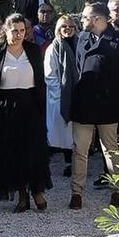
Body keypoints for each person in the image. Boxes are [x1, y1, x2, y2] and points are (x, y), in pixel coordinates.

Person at [66, 2, 119, 211]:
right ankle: (76, 193)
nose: (82, 20)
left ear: (98, 19)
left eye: (86, 17)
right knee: (80, 150)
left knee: (111, 150)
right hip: (84, 105)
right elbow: (79, 68)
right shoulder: (82, 39)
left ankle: (117, 190)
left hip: (109, 105)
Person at [0, 12, 51, 213]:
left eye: (22, 30)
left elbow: (39, 78)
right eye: (15, 31)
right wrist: (0, 99)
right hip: (6, 108)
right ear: (6, 30)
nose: (19, 34)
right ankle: (22, 194)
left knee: (34, 150)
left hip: (30, 105)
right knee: (13, 153)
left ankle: (37, 190)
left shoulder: (33, 50)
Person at [43, 13, 78, 173]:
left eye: (71, 26)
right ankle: (66, 161)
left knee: (75, 132)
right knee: (63, 131)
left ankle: (74, 162)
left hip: (77, 93)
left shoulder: (79, 43)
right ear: (59, 28)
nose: (68, 29)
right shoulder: (54, 47)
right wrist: (61, 93)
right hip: (60, 96)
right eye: (64, 26)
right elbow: (50, 74)